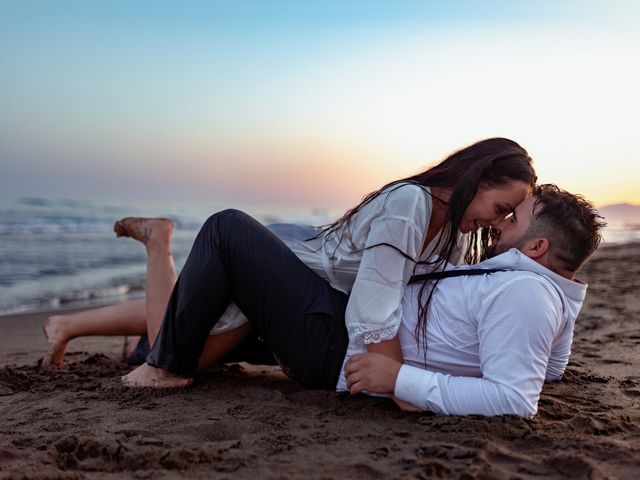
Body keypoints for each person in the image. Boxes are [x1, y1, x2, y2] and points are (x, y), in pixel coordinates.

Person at [42, 137, 536, 370]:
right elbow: (374, 310)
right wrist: (399, 380)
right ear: (477, 177)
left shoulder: (452, 231)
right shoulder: (412, 205)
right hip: (285, 272)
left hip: (305, 285)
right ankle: (158, 245)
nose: (498, 221)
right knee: (177, 357)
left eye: (509, 217)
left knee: (181, 321)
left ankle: (66, 325)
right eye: (500, 207)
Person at [122, 184, 605, 418]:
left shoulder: (525, 293)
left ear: (538, 247)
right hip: (347, 328)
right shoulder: (547, 295)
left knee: (228, 229)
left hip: (339, 346)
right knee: (196, 324)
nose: (500, 223)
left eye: (514, 219)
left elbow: (515, 399)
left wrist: (400, 377)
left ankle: (160, 345)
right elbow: (549, 369)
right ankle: (145, 348)